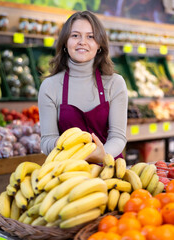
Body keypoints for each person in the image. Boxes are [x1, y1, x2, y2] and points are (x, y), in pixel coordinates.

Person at [38, 10, 128, 164]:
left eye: (90, 36)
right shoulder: (50, 86)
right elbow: (46, 141)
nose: (82, 42)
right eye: (75, 35)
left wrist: (101, 154)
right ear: (65, 42)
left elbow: (118, 137)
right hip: (67, 171)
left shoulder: (115, 83)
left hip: (108, 169)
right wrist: (69, 147)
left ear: (99, 44)